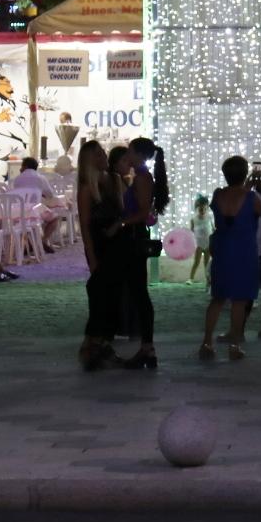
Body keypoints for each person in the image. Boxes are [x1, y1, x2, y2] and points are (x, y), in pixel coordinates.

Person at [200, 156, 261, 360]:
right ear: (245, 173)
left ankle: (206, 342)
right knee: (239, 301)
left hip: (223, 250)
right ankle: (234, 345)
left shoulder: (218, 195)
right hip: (244, 251)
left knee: (217, 299)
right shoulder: (252, 198)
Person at [111, 141, 159, 369]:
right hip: (133, 235)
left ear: (138, 154)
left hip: (134, 236)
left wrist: (120, 223)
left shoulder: (142, 178)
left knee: (139, 292)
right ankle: (146, 346)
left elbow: (142, 212)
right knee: (138, 291)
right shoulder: (140, 176)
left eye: (130, 151)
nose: (127, 154)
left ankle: (147, 346)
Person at [78, 141, 121, 370]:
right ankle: (92, 344)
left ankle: (102, 342)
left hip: (116, 243)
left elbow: (122, 210)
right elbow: (85, 226)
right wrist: (90, 255)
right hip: (99, 244)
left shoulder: (114, 180)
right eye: (97, 155)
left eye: (103, 153)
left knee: (113, 295)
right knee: (99, 295)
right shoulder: (88, 188)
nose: (103, 156)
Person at [13, 156, 68, 251]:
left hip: (18, 213)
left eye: (21, 166)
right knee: (54, 218)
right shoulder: (40, 178)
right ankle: (43, 240)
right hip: (35, 211)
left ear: (25, 166)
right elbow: (50, 195)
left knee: (28, 222)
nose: (20, 169)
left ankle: (30, 243)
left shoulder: (17, 179)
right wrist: (41, 194)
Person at [188, 195, 213, 284]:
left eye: (205, 209)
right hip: (198, 244)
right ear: (197, 208)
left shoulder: (209, 218)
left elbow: (213, 229)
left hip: (208, 244)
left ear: (207, 208)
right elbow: (191, 232)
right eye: (201, 209)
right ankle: (191, 279)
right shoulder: (193, 219)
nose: (203, 211)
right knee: (196, 262)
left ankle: (208, 280)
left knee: (206, 263)